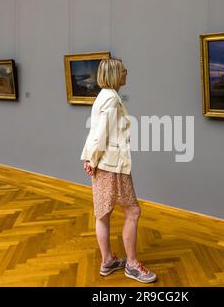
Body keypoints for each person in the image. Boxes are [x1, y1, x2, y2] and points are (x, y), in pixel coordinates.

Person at [80, 58, 157, 284]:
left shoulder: (103, 96)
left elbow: (94, 132)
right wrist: (92, 159)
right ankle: (132, 265)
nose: (126, 73)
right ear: (115, 74)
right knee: (132, 212)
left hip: (103, 163)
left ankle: (107, 261)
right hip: (112, 166)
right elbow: (100, 133)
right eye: (124, 70)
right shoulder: (112, 99)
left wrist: (89, 158)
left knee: (102, 214)